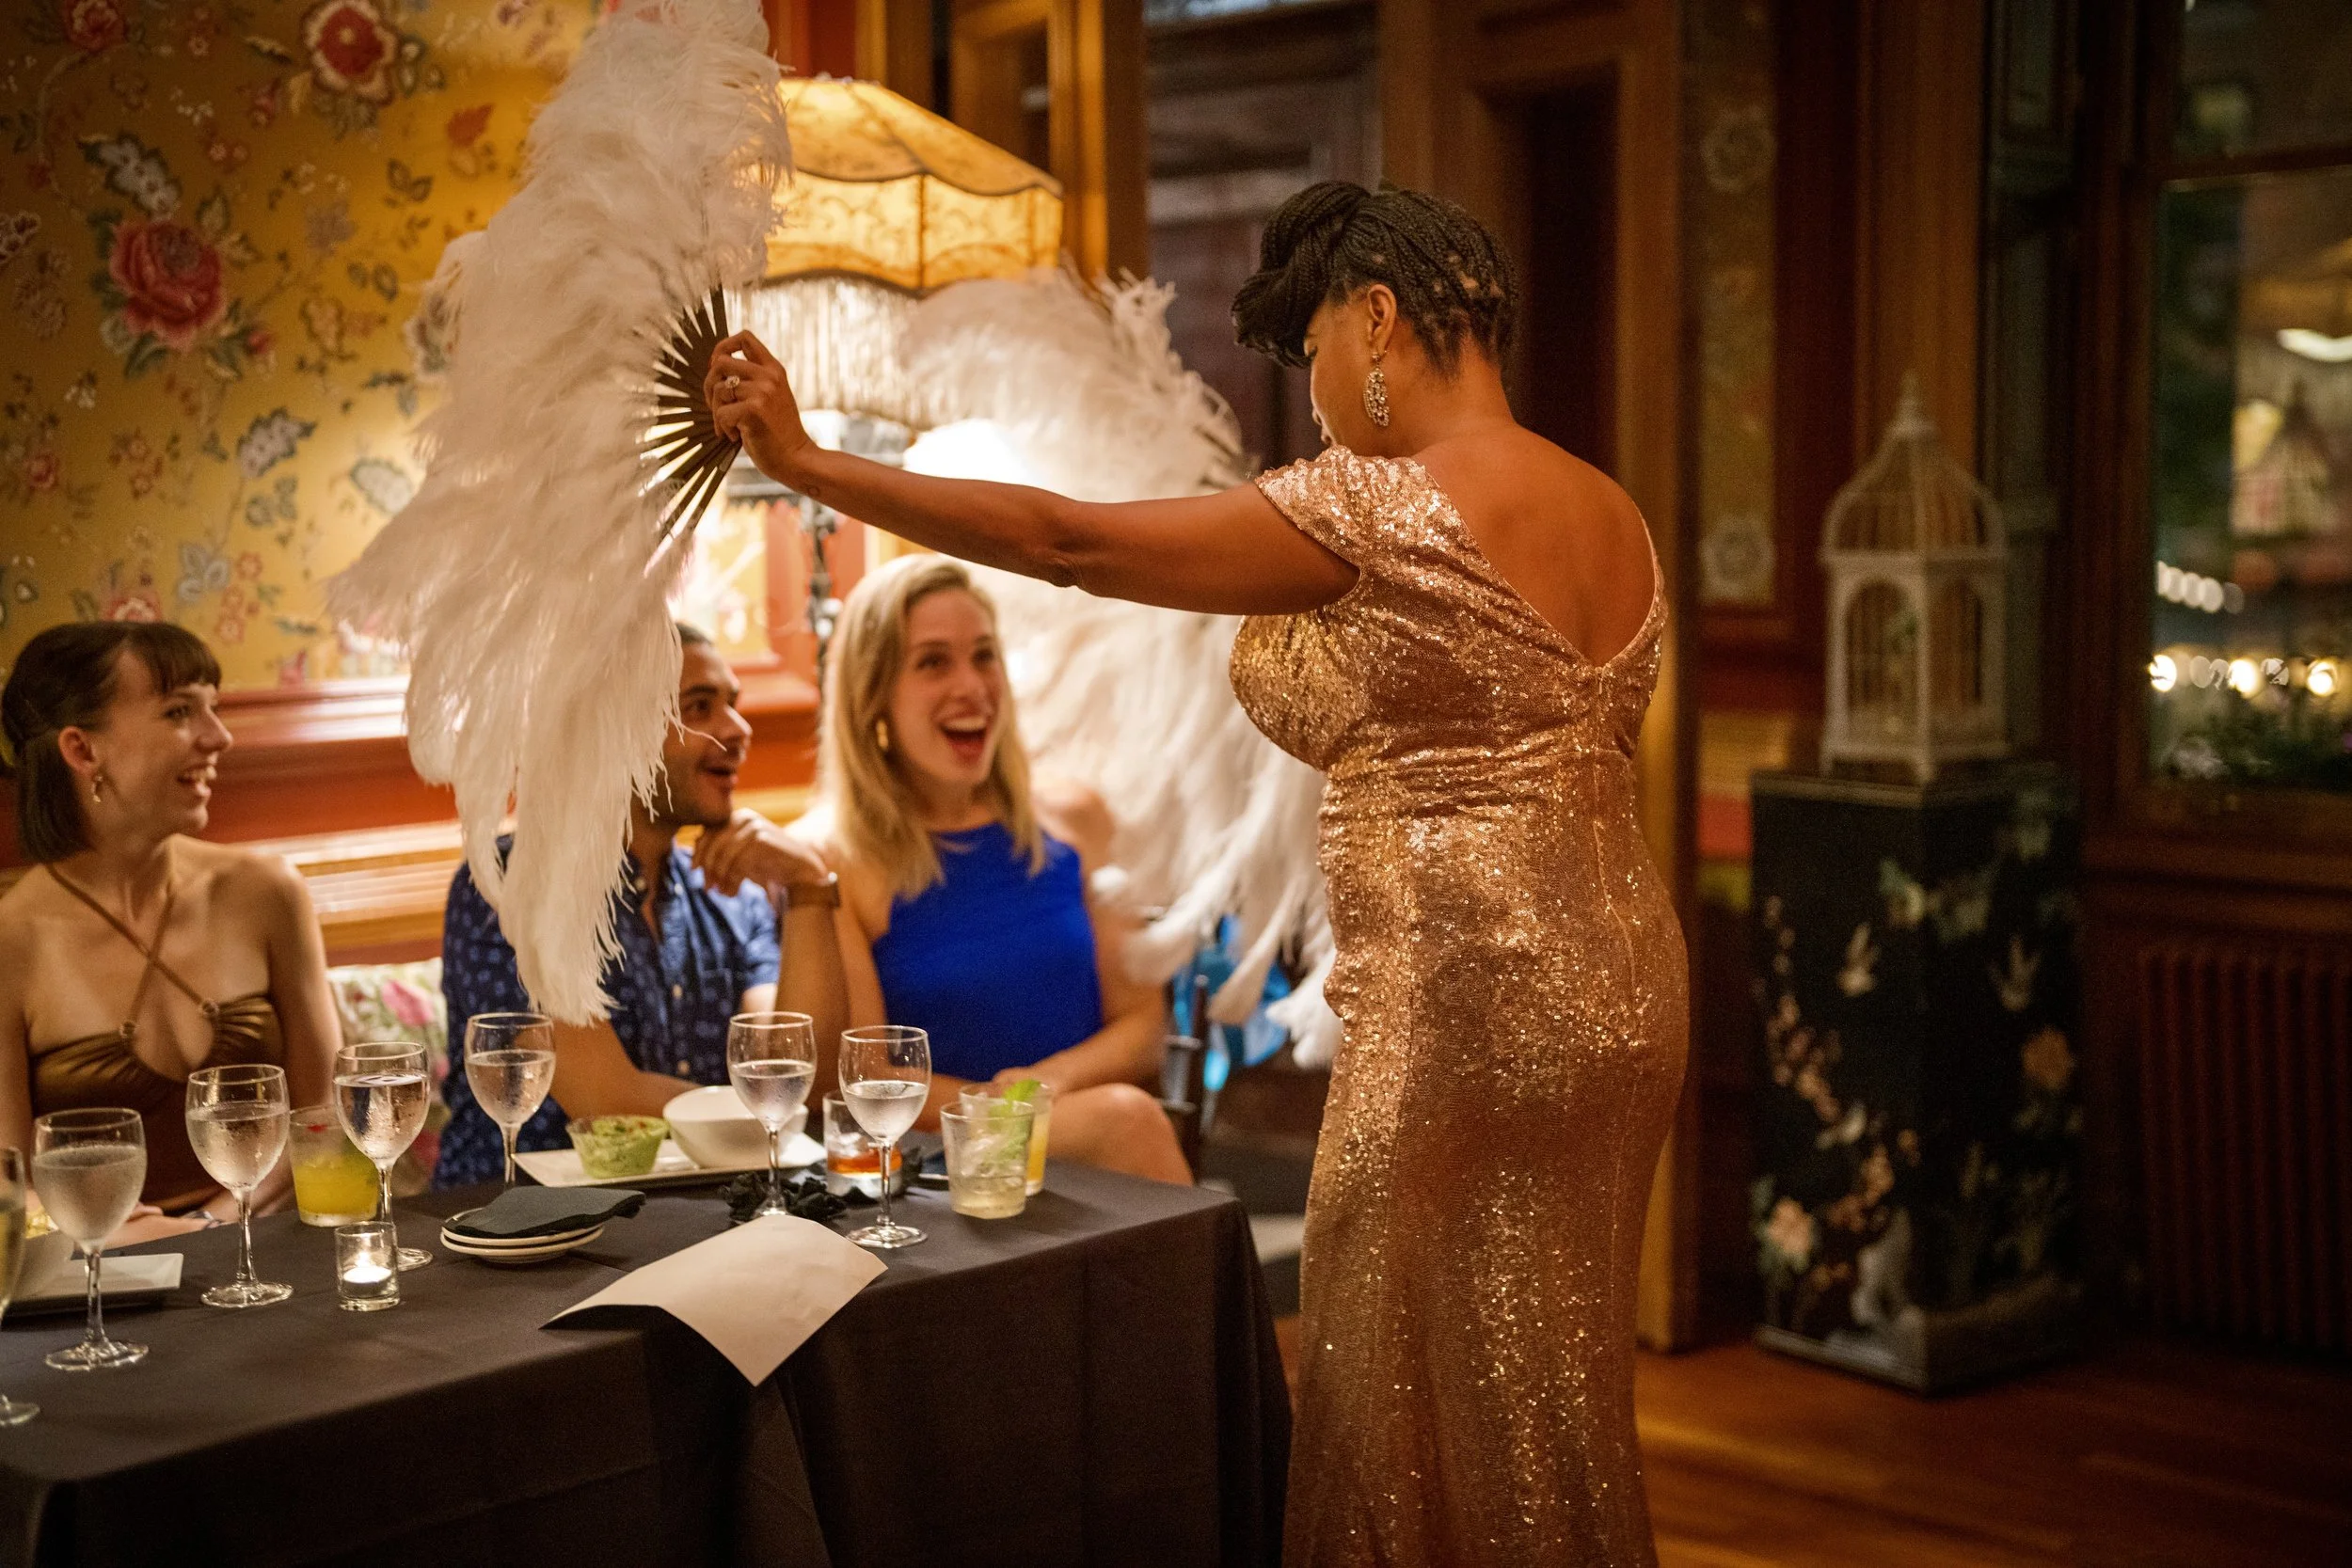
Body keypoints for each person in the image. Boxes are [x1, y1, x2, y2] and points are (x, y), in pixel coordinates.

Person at [706, 182, 1687, 1565]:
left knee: (1388, 1378)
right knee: (1547, 1379)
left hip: (1463, 1007)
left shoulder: (1381, 504)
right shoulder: (1616, 513)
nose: (1325, 402)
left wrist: (814, 466)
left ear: (1382, 320)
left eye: (1324, 364)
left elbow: (1071, 542)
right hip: (1624, 1000)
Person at [808, 553, 1188, 1184]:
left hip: (1081, 1135)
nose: (971, 685)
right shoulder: (837, 861)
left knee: (1127, 1119)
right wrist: (994, 1116)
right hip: (941, 1168)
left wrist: (1042, 1087)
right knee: (1131, 1121)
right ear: (871, 694)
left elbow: (1145, 1026)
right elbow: (871, 1079)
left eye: (984, 655)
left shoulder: (1077, 817)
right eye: (933, 662)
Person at [433, 624, 849, 1187]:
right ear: (615, 734)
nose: (739, 728)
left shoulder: (734, 895)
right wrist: (768, 1115)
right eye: (699, 707)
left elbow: (802, 1073)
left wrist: (808, 887)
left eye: (734, 703)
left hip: (697, 1227)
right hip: (522, 1235)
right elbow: (607, 1099)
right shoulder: (512, 882)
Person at [0, 623, 342, 1244]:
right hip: (103, 1290)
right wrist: (92, 1234)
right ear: (82, 750)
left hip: (274, 1260)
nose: (220, 736)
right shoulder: (12, 940)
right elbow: (7, 1187)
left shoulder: (268, 891)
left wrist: (208, 1227)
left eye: (213, 707)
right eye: (180, 711)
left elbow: (321, 1118)